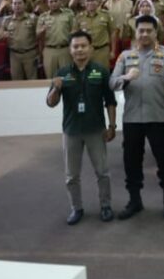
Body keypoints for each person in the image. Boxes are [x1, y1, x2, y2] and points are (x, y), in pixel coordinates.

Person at [109, 16, 164, 220]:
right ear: (135, 32)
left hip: (159, 118)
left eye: (149, 30)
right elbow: (112, 82)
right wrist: (126, 78)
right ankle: (134, 201)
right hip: (132, 119)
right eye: (141, 30)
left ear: (156, 32)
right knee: (131, 161)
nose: (144, 34)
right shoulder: (125, 57)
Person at [46, 30, 117, 225]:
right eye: (75, 46)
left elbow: (110, 101)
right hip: (72, 131)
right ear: (70, 50)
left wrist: (112, 125)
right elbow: (51, 103)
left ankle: (105, 206)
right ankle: (76, 208)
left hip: (96, 130)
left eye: (83, 46)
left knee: (102, 172)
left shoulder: (101, 71)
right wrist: (56, 87)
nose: (80, 50)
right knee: (71, 176)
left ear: (91, 48)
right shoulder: (62, 73)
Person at [0, 0, 38, 80]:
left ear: (25, 5)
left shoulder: (33, 18)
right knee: (16, 80)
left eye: (20, 3)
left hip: (30, 53)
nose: (17, 5)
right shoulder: (7, 20)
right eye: (15, 3)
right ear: (12, 6)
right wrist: (3, 33)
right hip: (14, 55)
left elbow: (39, 35)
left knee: (32, 80)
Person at [76, 0, 118, 69]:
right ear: (84, 3)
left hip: (102, 50)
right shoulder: (79, 17)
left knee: (103, 75)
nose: (90, 3)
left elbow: (113, 33)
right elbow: (75, 36)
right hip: (86, 52)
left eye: (92, 0)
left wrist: (113, 51)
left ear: (97, 1)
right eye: (87, 1)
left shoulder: (106, 15)